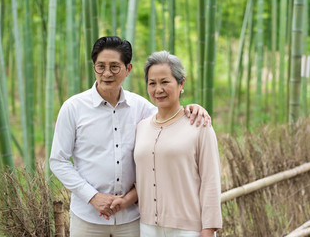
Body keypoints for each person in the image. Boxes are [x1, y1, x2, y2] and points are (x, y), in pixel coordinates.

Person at [49, 36, 211, 237]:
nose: (107, 73)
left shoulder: (142, 108)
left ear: (128, 69)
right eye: (101, 66)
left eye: (115, 67)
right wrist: (93, 197)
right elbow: (58, 161)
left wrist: (192, 109)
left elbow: (169, 123)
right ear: (94, 68)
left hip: (132, 219)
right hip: (87, 218)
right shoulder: (73, 108)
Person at [134, 50, 222, 237]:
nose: (158, 89)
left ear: (181, 83)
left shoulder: (199, 125)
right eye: (152, 83)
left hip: (189, 229)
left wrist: (209, 229)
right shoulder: (141, 128)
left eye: (165, 82)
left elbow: (210, 181)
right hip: (147, 227)